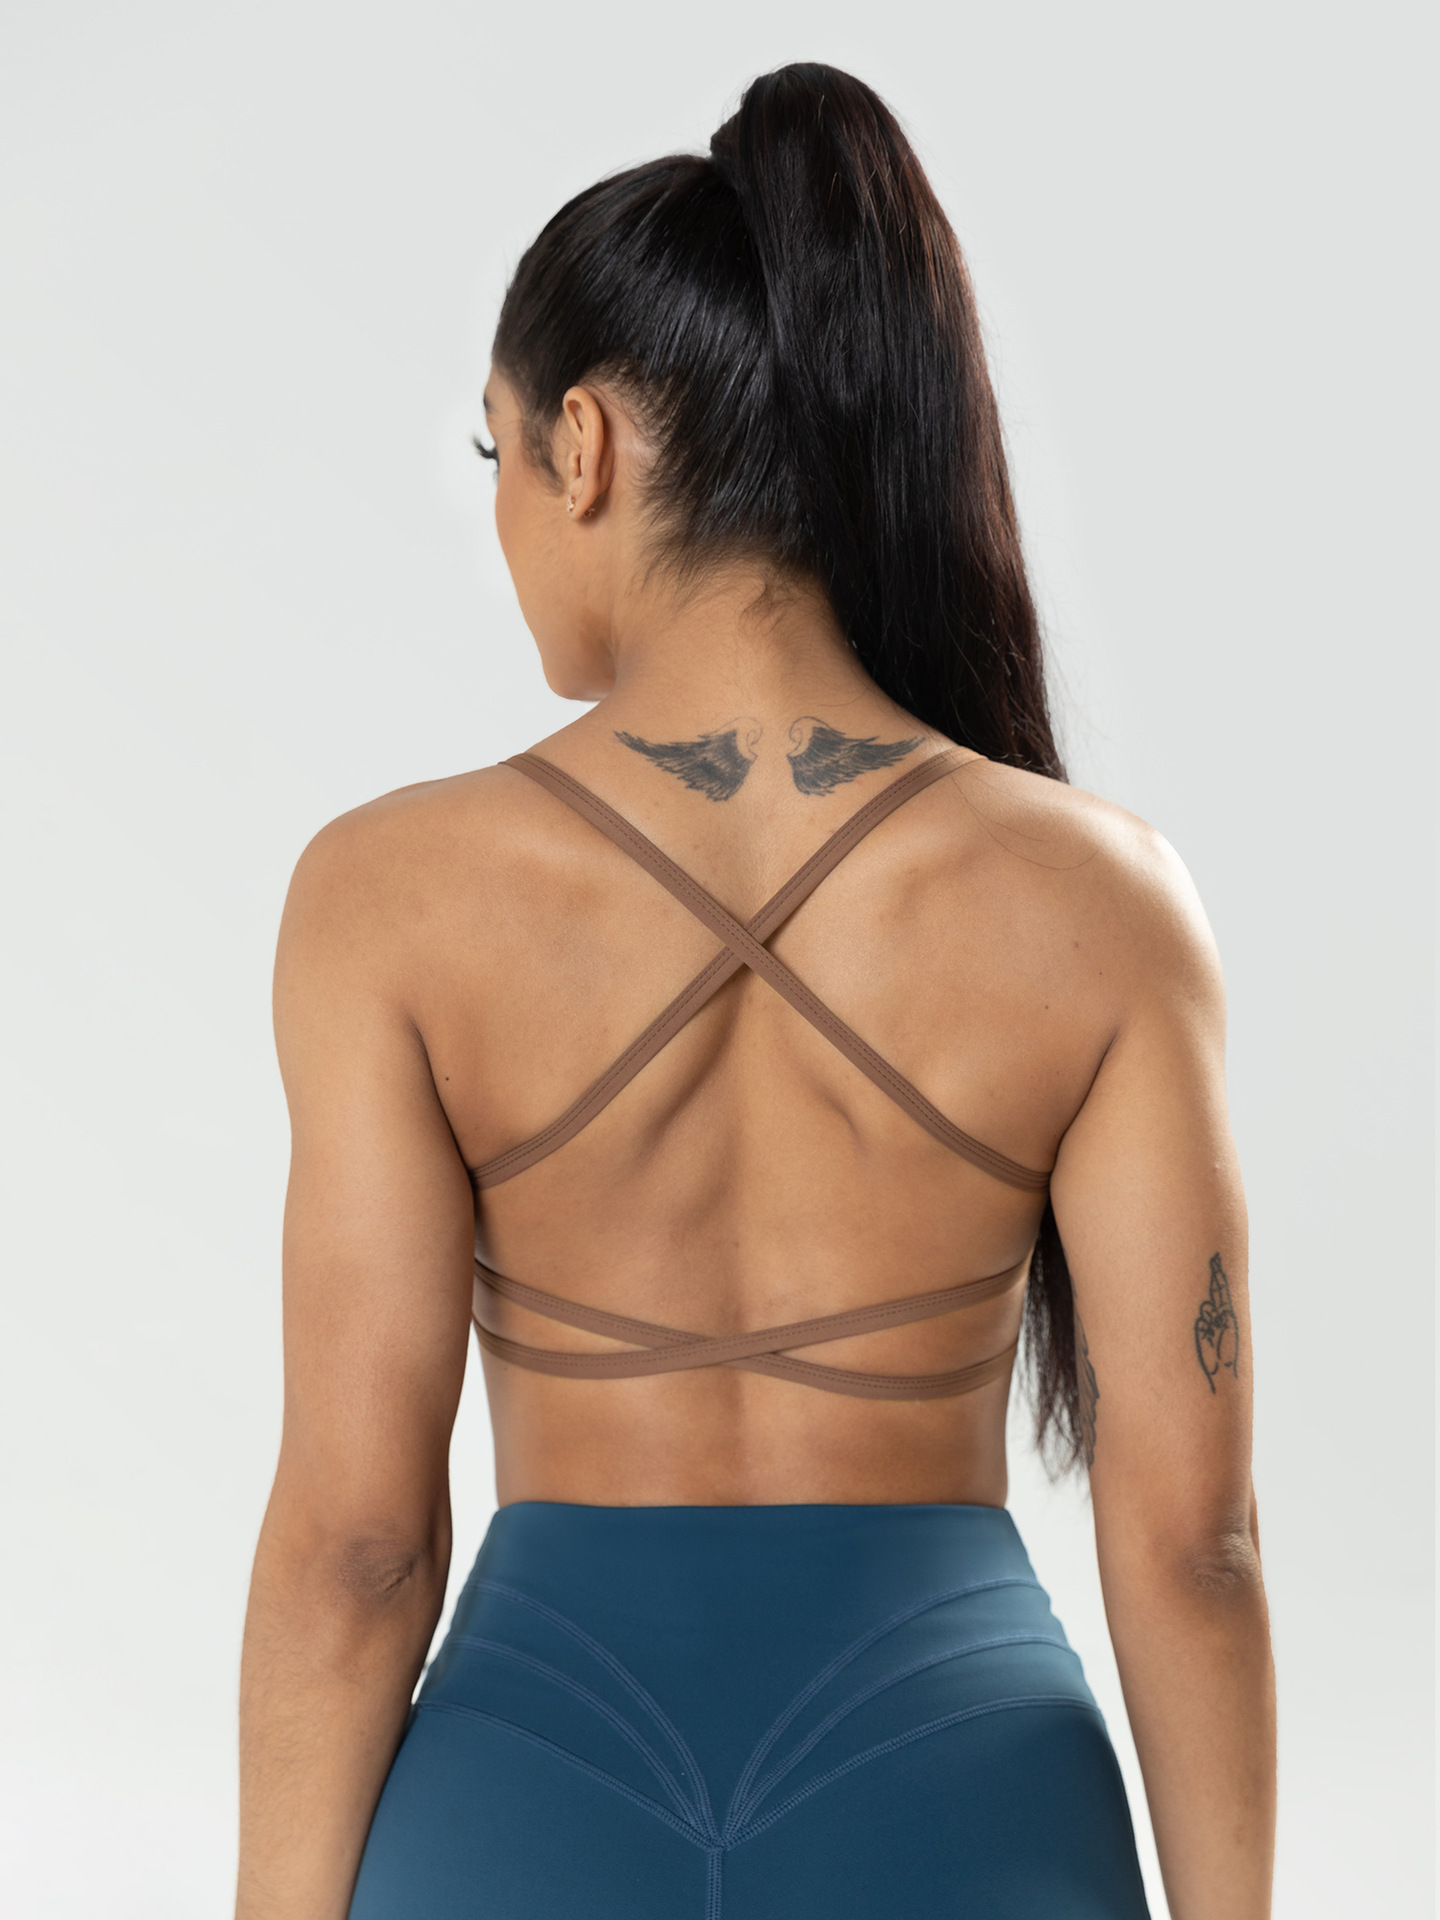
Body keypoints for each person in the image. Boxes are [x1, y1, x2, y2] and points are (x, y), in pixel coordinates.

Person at [235, 62, 1275, 1920]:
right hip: (967, 1804)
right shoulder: (1102, 902)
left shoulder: (387, 899)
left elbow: (357, 1549)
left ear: (581, 448)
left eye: (496, 457)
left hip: (531, 1802)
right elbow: (1195, 1547)